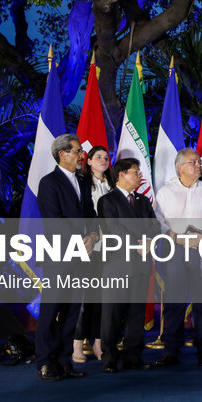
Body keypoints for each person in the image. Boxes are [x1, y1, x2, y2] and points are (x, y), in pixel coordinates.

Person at [154, 148, 202, 368]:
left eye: (199, 162)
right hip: (174, 250)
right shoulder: (165, 192)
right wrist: (176, 237)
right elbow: (157, 221)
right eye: (193, 162)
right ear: (180, 167)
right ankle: (171, 351)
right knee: (174, 302)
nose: (198, 166)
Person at [35, 133, 97, 382]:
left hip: (81, 256)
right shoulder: (48, 183)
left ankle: (63, 361)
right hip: (59, 256)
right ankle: (44, 362)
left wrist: (93, 236)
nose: (82, 155)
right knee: (51, 310)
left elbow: (91, 213)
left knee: (72, 312)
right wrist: (81, 242)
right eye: (78, 151)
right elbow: (54, 221)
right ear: (62, 154)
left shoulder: (82, 181)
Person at [97, 157, 155, 373]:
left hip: (141, 265)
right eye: (135, 171)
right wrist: (138, 243)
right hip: (118, 266)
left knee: (136, 314)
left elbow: (154, 225)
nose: (140, 175)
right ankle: (109, 358)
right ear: (121, 175)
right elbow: (113, 230)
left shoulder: (143, 200)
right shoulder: (107, 200)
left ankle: (133, 357)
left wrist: (150, 240)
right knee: (112, 315)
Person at [72, 145, 112, 364]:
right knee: (84, 297)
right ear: (88, 161)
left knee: (102, 298)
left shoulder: (113, 183)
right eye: (98, 157)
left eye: (106, 157)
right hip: (88, 245)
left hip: (111, 247)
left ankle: (98, 343)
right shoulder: (82, 183)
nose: (103, 160)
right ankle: (77, 344)